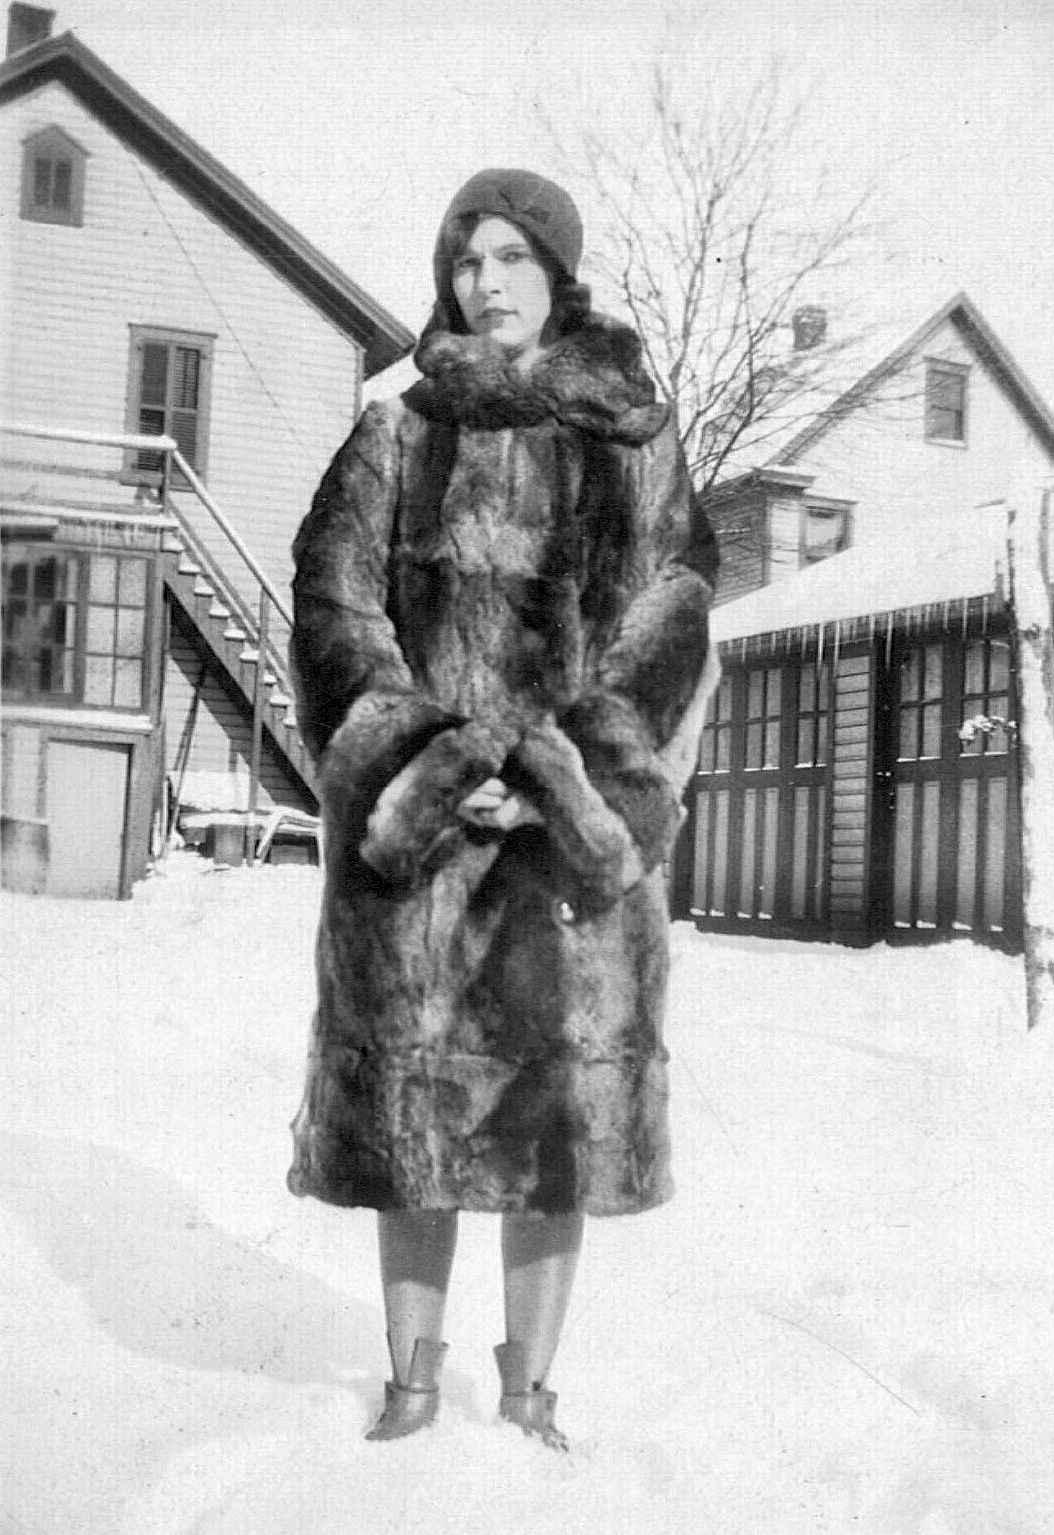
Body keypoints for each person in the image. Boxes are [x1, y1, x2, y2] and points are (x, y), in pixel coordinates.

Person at [286, 167, 718, 1450]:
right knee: (409, 1119)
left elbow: (671, 617)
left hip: (566, 846)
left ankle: (528, 1391)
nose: (487, 282)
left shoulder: (634, 444)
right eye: (467, 260)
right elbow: (333, 610)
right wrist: (424, 758)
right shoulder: (395, 436)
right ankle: (411, 1381)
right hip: (417, 841)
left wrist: (562, 771)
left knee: (555, 1127)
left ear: (558, 275)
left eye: (513, 256)